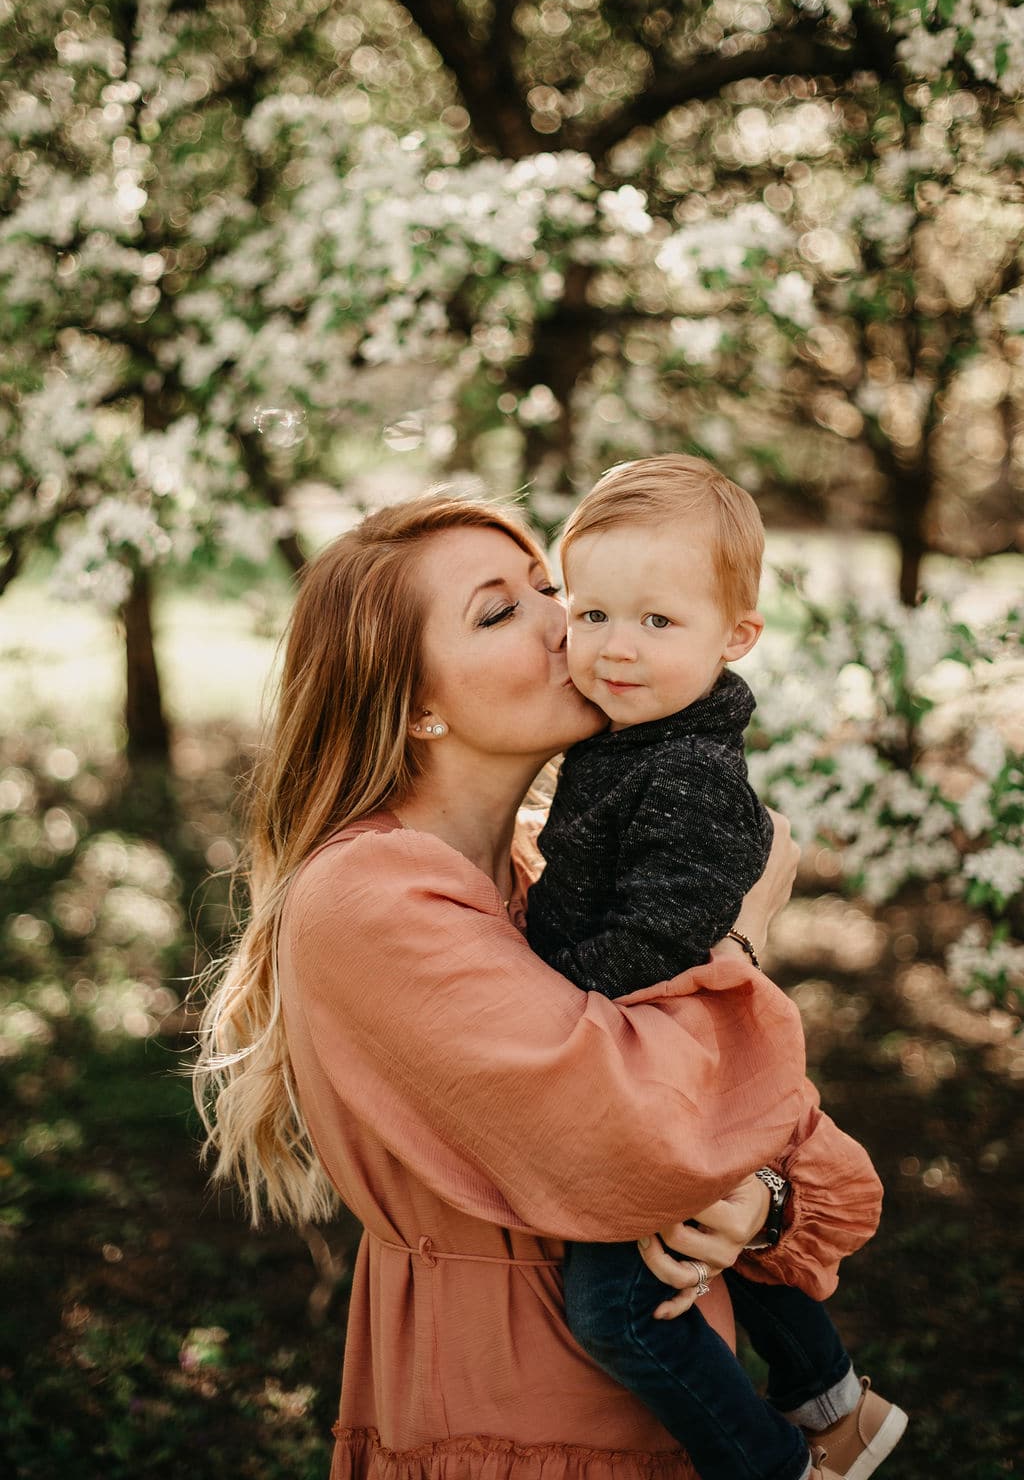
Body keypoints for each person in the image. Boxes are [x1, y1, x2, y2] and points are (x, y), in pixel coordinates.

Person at [193, 492, 884, 1480]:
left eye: (547, 587)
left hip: (679, 1407)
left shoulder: (546, 880)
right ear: (418, 704)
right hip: (518, 1419)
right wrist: (743, 929)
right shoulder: (368, 895)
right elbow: (636, 1123)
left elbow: (796, 1149)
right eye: (497, 611)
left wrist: (759, 1207)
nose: (567, 621)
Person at [527, 455, 907, 1480]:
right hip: (654, 1072)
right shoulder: (632, 743)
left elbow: (652, 947)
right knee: (714, 1229)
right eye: (592, 612)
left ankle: (774, 1462)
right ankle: (832, 1398)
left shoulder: (686, 774)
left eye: (659, 623)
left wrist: (528, 985)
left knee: (623, 1314)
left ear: (736, 638)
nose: (614, 647)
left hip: (656, 1070)